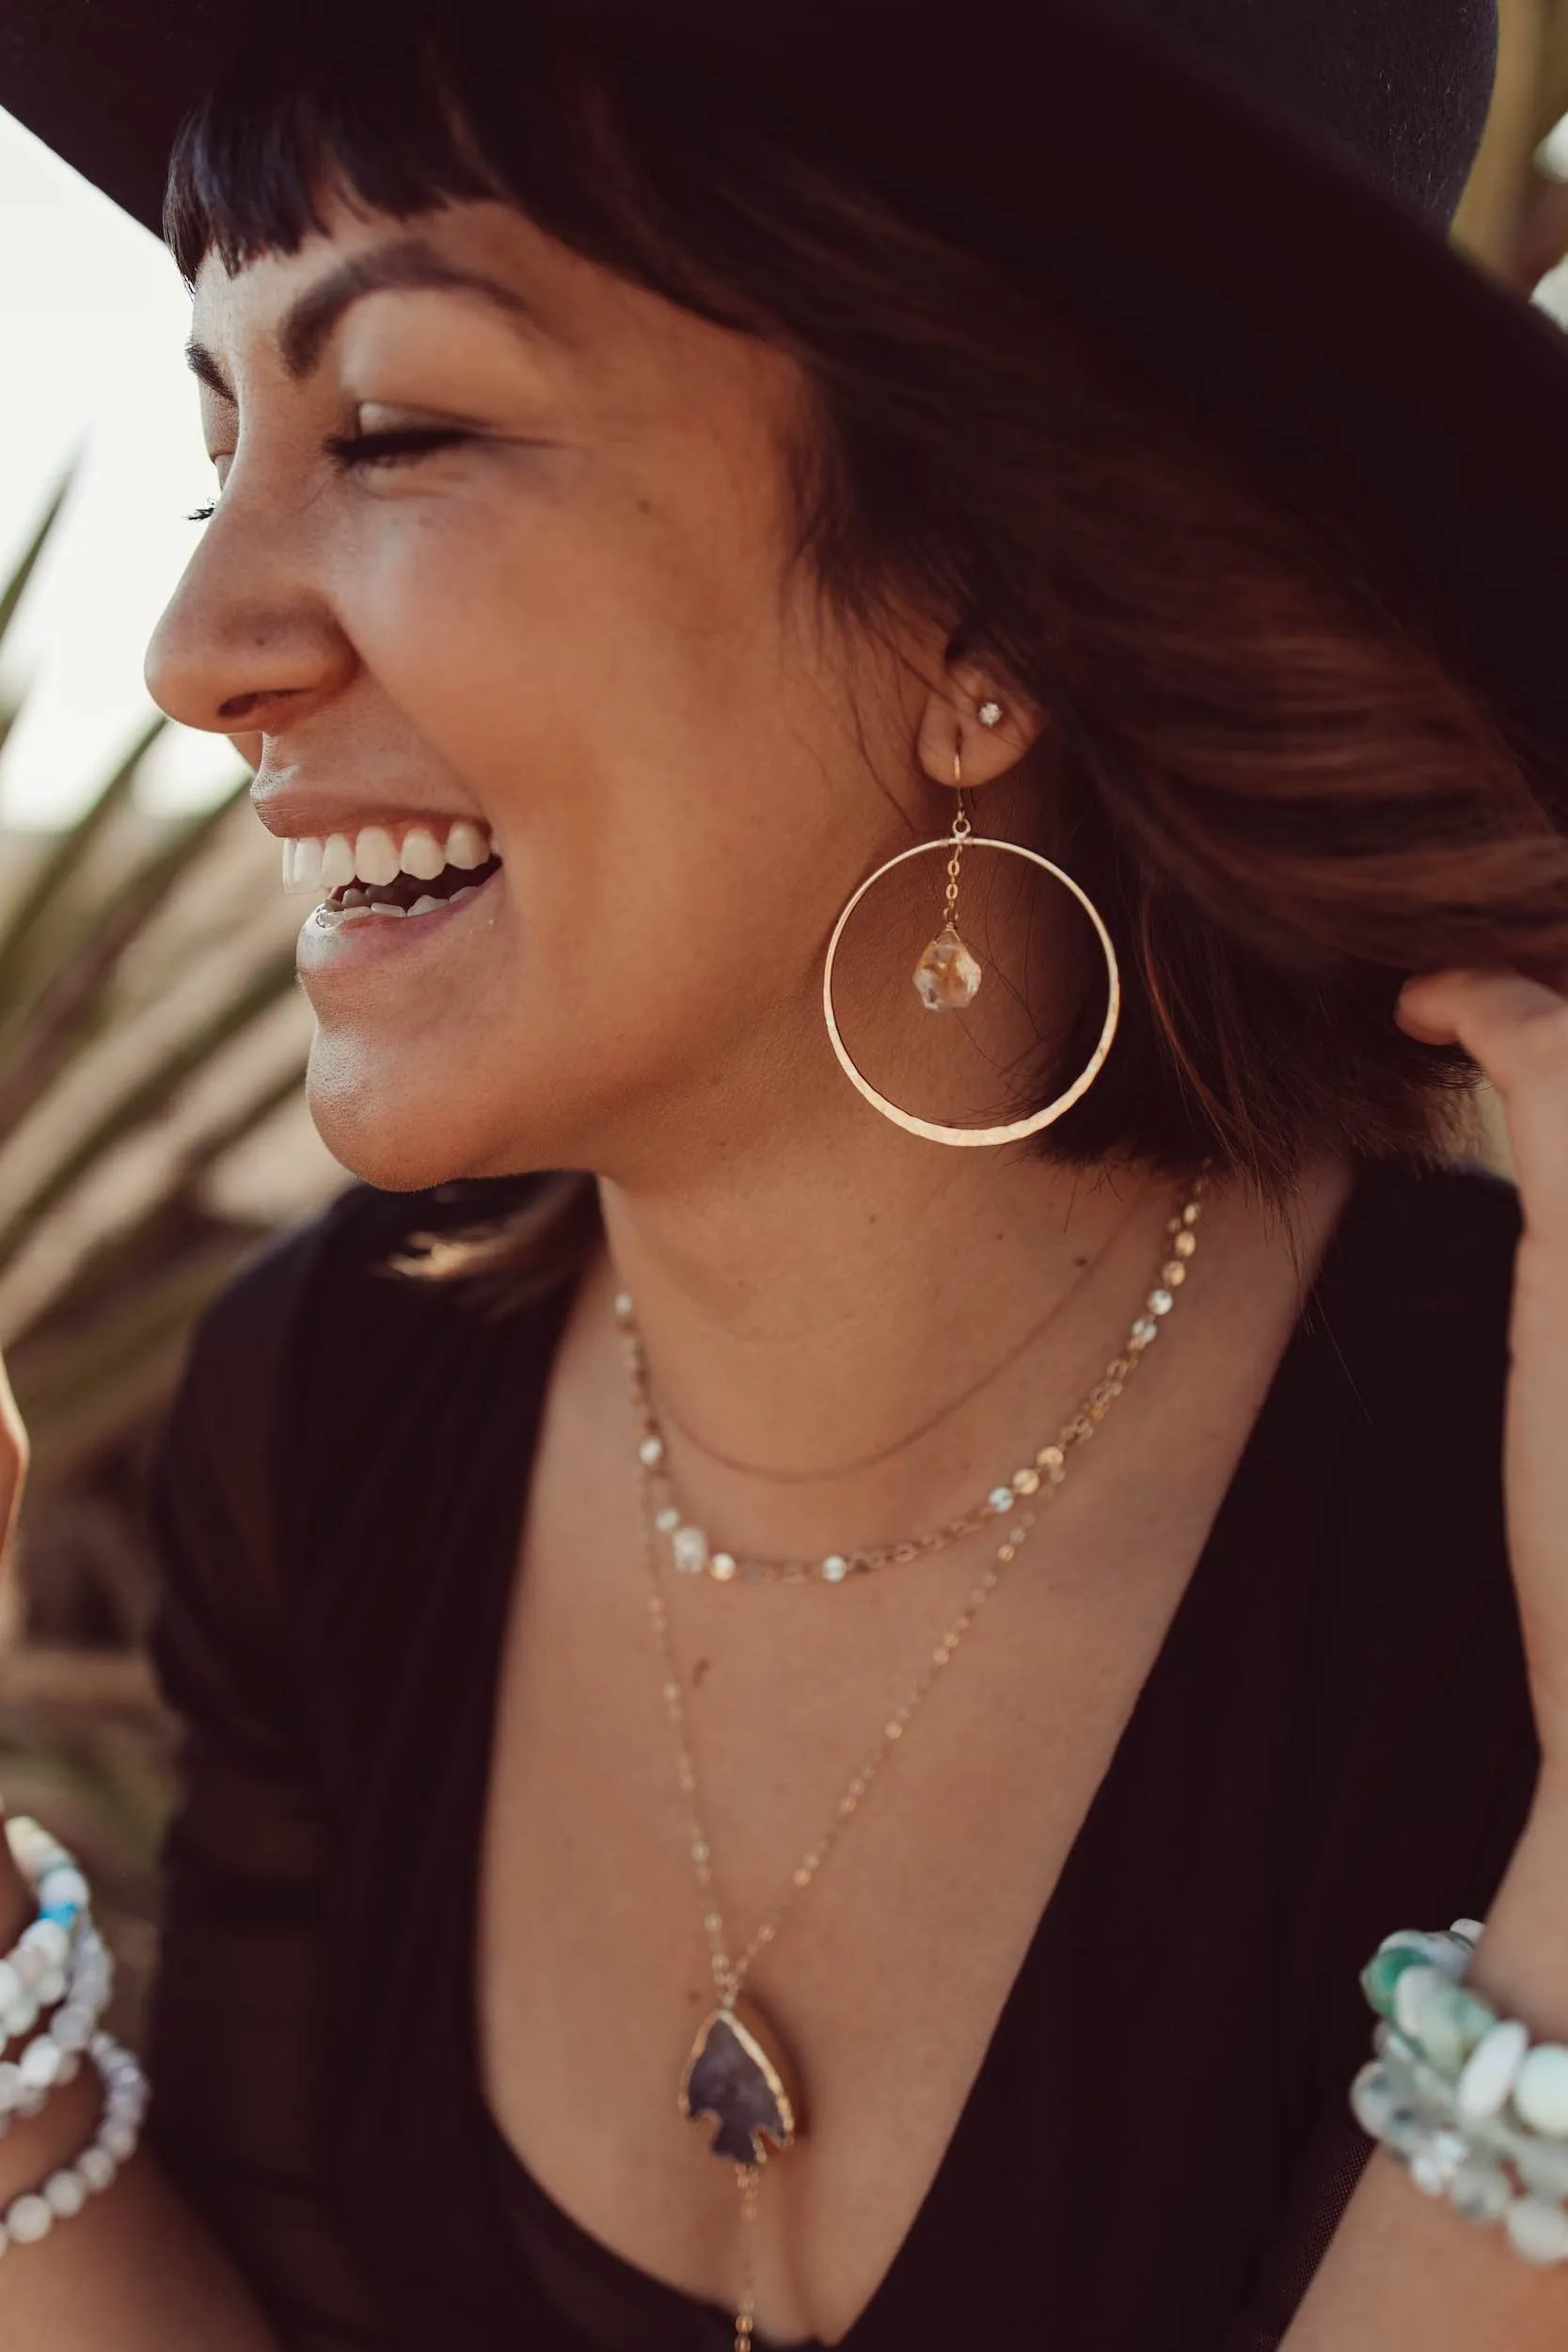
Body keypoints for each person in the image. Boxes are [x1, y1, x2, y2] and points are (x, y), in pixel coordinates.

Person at [2, 0, 1568, 2343]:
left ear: (990, 600)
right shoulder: (331, 1422)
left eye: (401, 424)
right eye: (222, 448)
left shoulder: (1493, 1519)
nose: (195, 646)